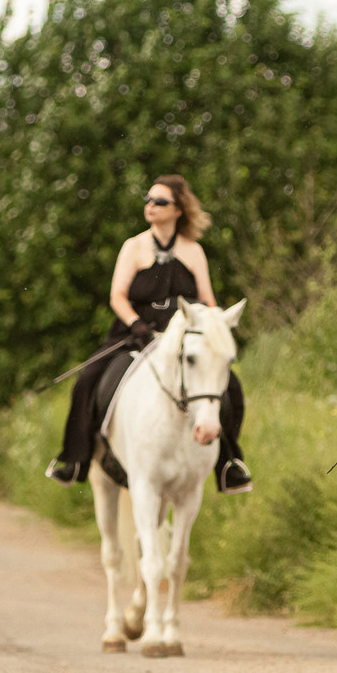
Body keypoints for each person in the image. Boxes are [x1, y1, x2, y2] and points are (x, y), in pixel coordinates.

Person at [46, 174, 252, 493]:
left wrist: (214, 327)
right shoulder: (134, 246)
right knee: (87, 379)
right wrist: (136, 325)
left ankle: (229, 463)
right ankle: (75, 460)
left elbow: (207, 300)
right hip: (136, 332)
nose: (151, 206)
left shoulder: (193, 250)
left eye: (160, 201)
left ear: (178, 209)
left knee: (230, 388)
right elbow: (117, 296)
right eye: (148, 199)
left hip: (183, 337)